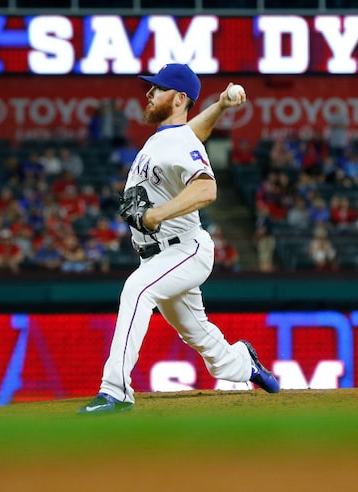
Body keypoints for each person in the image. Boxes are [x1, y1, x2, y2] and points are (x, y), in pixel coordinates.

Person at [79, 64, 279, 415]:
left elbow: (206, 187)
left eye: (158, 88)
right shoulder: (170, 136)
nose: (149, 93)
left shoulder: (179, 141)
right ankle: (243, 362)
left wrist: (157, 214)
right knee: (201, 338)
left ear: (179, 98)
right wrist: (219, 105)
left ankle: (115, 392)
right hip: (158, 256)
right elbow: (190, 132)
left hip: (185, 249)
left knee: (137, 291)